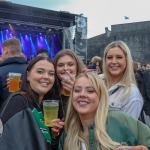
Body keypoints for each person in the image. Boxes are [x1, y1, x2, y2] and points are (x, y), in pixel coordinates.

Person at [58, 72, 150, 150]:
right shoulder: (67, 134)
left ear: (101, 97)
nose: (82, 94)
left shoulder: (122, 120)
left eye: (90, 91)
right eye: (77, 90)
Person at [0, 56, 64, 150]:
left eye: (51, 74)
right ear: (28, 75)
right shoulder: (19, 101)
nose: (46, 77)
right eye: (40, 71)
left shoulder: (44, 106)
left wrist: (53, 136)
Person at [103, 41, 143, 119]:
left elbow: (126, 129)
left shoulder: (132, 94)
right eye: (109, 57)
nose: (114, 61)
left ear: (127, 60)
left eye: (119, 57)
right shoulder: (96, 83)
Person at [53, 49, 84, 119]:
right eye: (60, 65)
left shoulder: (88, 88)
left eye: (70, 64)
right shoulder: (50, 89)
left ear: (77, 67)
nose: (65, 68)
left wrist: (76, 91)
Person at [0, 38, 28, 108]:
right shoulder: (32, 69)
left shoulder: (1, 70)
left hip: (5, 116)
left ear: (6, 50)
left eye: (2, 51)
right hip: (29, 115)